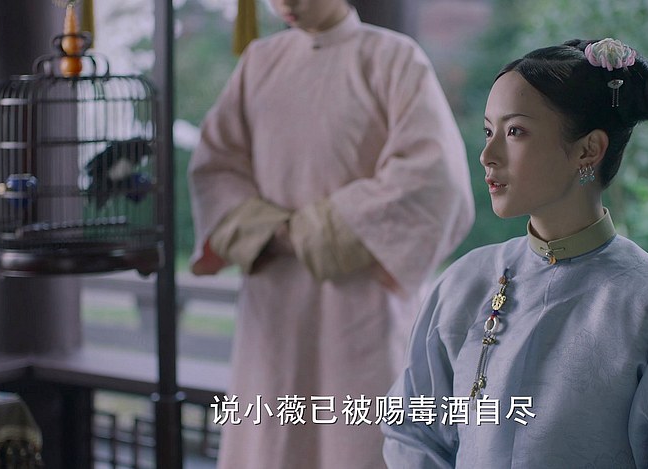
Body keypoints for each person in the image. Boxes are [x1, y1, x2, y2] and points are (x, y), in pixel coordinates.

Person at [381, 38, 648, 468]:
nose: (488, 155)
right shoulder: (462, 284)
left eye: (515, 132)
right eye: (488, 131)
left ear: (588, 150)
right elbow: (411, 430)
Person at [187, 0, 475, 467]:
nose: (285, 4)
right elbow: (216, 168)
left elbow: (432, 177)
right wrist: (276, 233)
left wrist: (308, 232)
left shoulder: (393, 57)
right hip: (272, 300)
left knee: (361, 441)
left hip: (362, 300)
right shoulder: (259, 60)